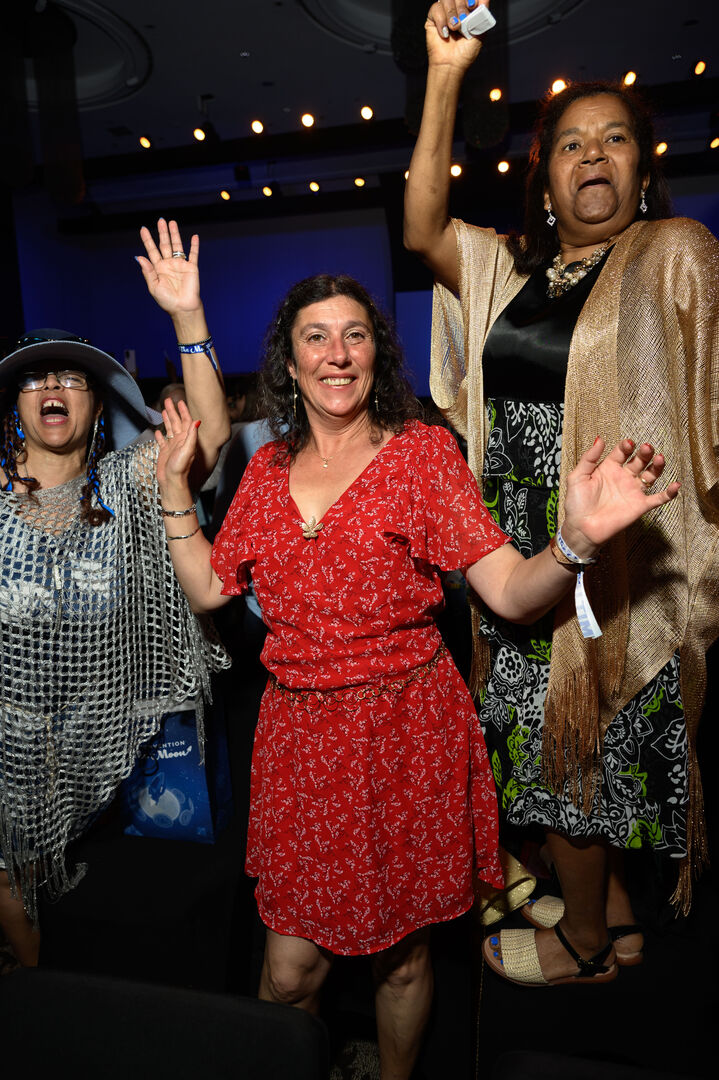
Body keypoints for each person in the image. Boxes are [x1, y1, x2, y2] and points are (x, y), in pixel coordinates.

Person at [155, 269, 677, 1075]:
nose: (337, 354)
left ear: (377, 354)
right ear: (289, 363)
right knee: (288, 971)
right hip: (300, 748)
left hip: (405, 739)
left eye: (354, 335)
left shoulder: (421, 456)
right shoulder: (264, 471)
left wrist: (572, 544)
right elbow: (208, 587)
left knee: (400, 962)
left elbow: (509, 592)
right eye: (315, 338)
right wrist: (173, 489)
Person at [403, 1, 719, 988]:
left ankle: (581, 944)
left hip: (617, 542)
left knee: (579, 744)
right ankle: (612, 914)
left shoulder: (675, 251)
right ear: (543, 178)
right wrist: (444, 74)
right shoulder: (508, 270)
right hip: (517, 542)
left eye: (613, 139)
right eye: (570, 143)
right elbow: (421, 228)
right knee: (534, 736)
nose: (591, 156)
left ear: (640, 167)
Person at [0, 218, 231, 968]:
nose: (52, 388)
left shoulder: (127, 484)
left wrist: (187, 317)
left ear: (98, 406)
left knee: (103, 939)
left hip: (108, 761)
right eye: (35, 379)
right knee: (16, 897)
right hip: (10, 757)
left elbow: (208, 436)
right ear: (15, 407)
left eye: (71, 378)